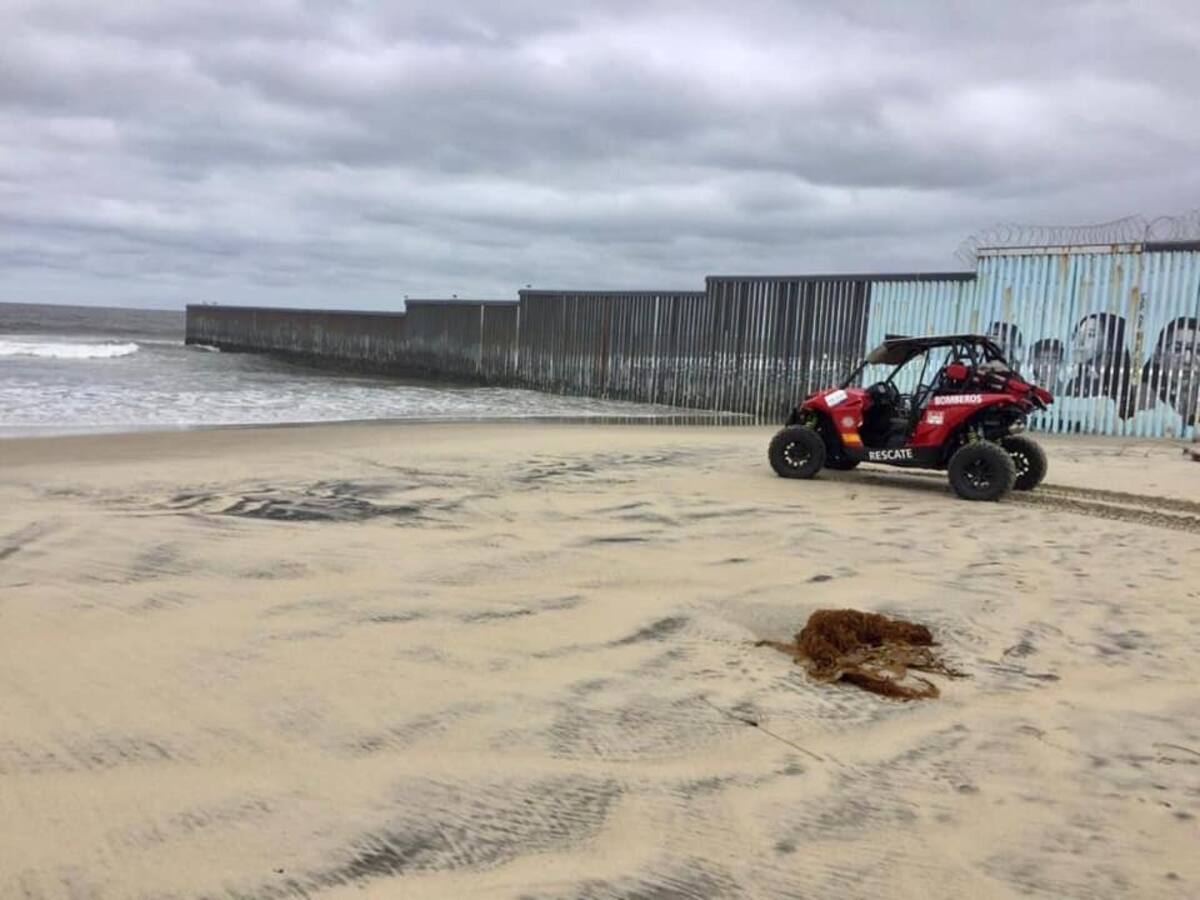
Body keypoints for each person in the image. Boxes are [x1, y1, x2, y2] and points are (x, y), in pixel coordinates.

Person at [1065, 312, 1132, 416]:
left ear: (1111, 341)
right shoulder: (1077, 382)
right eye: (1078, 334)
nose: (1080, 342)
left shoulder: (1122, 383)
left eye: (1091, 335)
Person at [1135, 316, 1198, 425]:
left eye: (1199, 351)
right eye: (1177, 349)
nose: (1187, 360)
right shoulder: (1142, 400)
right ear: (1158, 354)